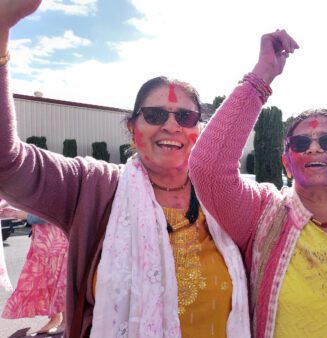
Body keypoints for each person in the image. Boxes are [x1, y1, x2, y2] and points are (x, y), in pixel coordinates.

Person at [0, 1, 249, 337]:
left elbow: (291, 209)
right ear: (132, 129)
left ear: (200, 131)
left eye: (185, 117)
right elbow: (8, 163)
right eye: (156, 115)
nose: (171, 126)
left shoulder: (223, 195)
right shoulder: (92, 187)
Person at [189, 31, 327, 338]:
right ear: (286, 162)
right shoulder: (261, 215)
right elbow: (207, 168)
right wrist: (262, 76)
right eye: (300, 143)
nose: (313, 148)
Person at [0, 205, 67, 336]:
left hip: (56, 238)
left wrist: (24, 215)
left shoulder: (56, 185)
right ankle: (56, 318)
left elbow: (54, 211)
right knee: (49, 278)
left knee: (59, 279)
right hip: (44, 239)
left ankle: (65, 321)